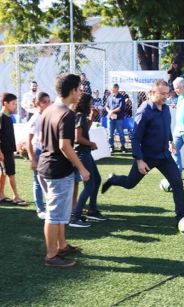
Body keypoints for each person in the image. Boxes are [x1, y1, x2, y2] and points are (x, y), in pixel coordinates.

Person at [101, 80, 184, 223]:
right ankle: (113, 179)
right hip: (146, 157)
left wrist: (171, 141)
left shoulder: (166, 109)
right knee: (130, 183)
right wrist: (139, 160)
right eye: (162, 94)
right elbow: (135, 138)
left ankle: (181, 217)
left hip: (164, 156)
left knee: (177, 182)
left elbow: (166, 127)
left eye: (167, 93)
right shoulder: (144, 110)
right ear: (153, 93)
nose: (166, 96)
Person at [37, 73, 90, 268]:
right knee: (54, 215)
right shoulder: (67, 115)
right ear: (73, 90)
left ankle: (62, 245)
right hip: (58, 171)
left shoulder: (49, 109)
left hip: (45, 167)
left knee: (58, 213)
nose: (81, 92)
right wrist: (82, 168)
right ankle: (52, 256)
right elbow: (65, 146)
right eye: (79, 88)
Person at [70, 93, 106, 228]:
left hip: (85, 153)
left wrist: (91, 117)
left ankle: (92, 210)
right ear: (84, 103)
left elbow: (85, 130)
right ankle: (76, 216)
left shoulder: (82, 116)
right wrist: (91, 143)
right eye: (90, 103)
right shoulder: (79, 116)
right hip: (81, 153)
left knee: (96, 180)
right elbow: (77, 138)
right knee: (90, 184)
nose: (92, 105)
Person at [27, 92, 52, 219]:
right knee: (37, 181)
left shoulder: (48, 115)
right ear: (38, 104)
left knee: (48, 180)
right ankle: (40, 209)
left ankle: (49, 206)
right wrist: (32, 159)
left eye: (49, 101)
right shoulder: (35, 118)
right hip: (38, 151)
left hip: (47, 151)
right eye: (45, 102)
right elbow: (29, 141)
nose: (48, 104)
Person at [0, 93, 27, 206]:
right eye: (13, 103)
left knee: (4, 173)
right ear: (5, 103)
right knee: (11, 173)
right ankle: (16, 196)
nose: (15, 106)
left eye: (15, 104)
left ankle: (0, 195)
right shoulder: (1, 117)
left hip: (8, 150)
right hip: (4, 151)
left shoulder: (9, 117)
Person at [106, 83, 126, 152]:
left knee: (121, 133)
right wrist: (109, 111)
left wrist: (112, 111)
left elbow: (120, 107)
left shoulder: (121, 97)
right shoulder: (110, 96)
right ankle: (111, 146)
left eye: (112, 88)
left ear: (116, 88)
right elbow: (106, 106)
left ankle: (123, 146)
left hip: (119, 118)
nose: (111, 89)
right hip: (110, 118)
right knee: (110, 133)